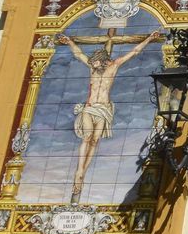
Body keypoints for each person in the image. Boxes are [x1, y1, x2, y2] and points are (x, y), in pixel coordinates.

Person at [57, 29, 162, 201]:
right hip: (90, 107)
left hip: (104, 110)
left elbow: (134, 52)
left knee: (95, 141)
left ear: (103, 61)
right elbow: (78, 54)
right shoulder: (92, 68)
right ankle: (79, 171)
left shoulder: (114, 66)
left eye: (95, 62)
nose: (92, 64)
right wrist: (69, 42)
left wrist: (149, 38)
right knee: (87, 137)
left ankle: (83, 172)